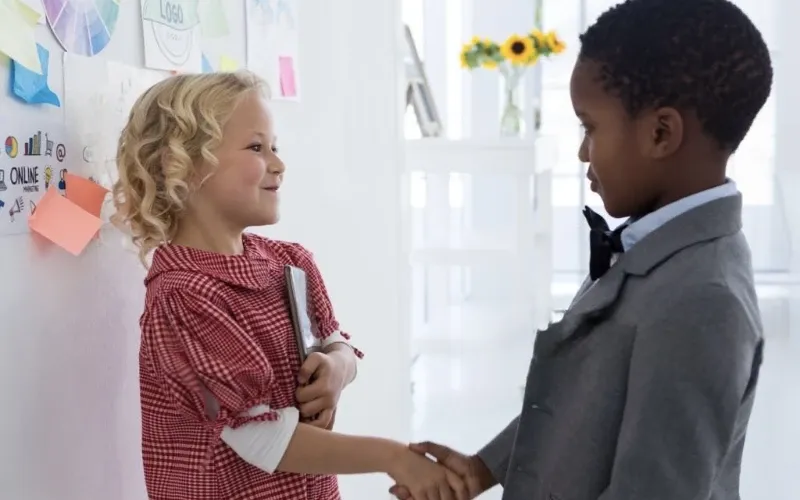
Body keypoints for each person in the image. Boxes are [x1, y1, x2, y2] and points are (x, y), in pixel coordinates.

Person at [391, 0, 770, 498]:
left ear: (660, 133)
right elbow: (582, 396)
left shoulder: (704, 302)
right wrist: (485, 468)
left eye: (589, 127)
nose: (581, 151)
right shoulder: (653, 242)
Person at [113, 71, 468, 500]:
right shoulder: (184, 298)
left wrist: (338, 366)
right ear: (182, 167)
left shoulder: (291, 263)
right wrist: (392, 457)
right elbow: (263, 439)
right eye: (257, 148)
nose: (279, 164)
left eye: (275, 147)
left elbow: (335, 343)